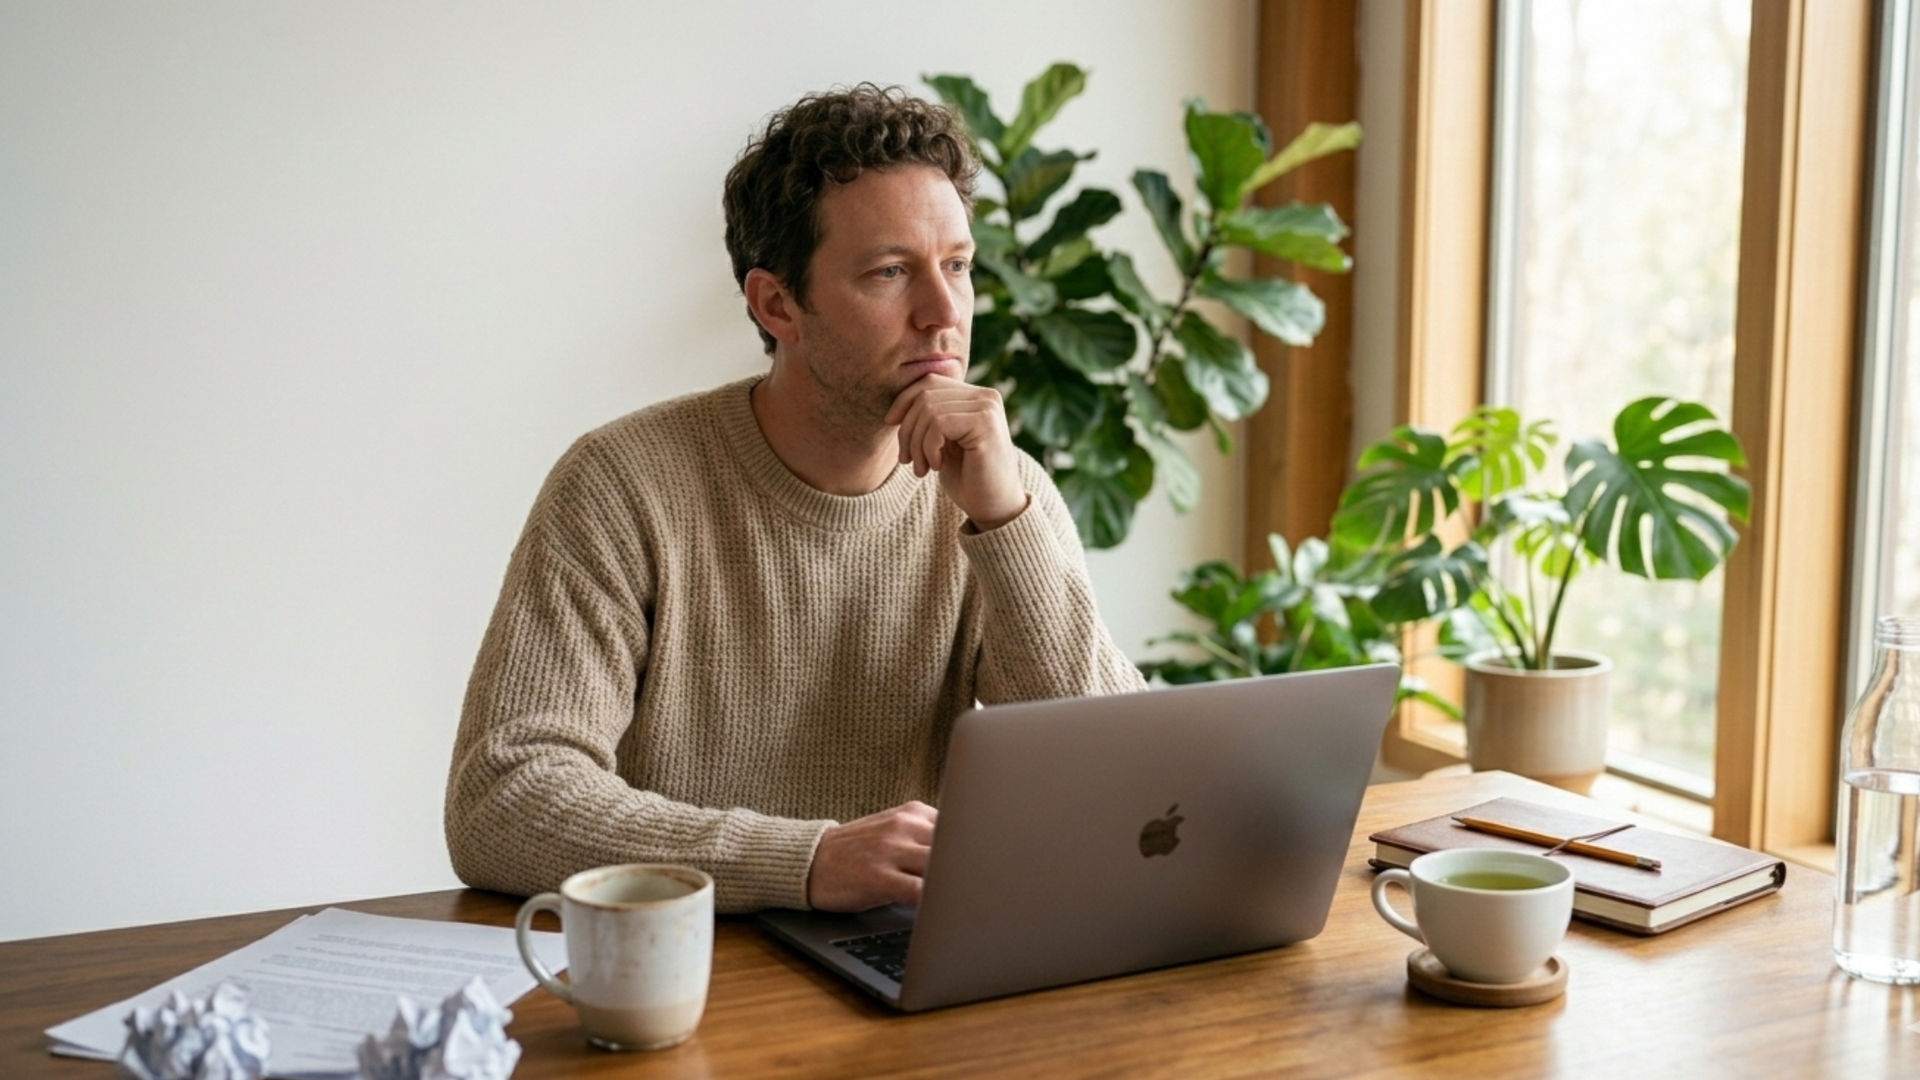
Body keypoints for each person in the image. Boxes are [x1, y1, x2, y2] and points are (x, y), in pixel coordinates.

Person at [444, 84, 1144, 916]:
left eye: (957, 266)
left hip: (899, 968)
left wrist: (1005, 523)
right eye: (890, 273)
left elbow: (1125, 783)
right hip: (689, 970)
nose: (943, 314)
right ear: (777, 304)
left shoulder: (1001, 490)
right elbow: (503, 798)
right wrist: (803, 860)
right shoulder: (621, 484)